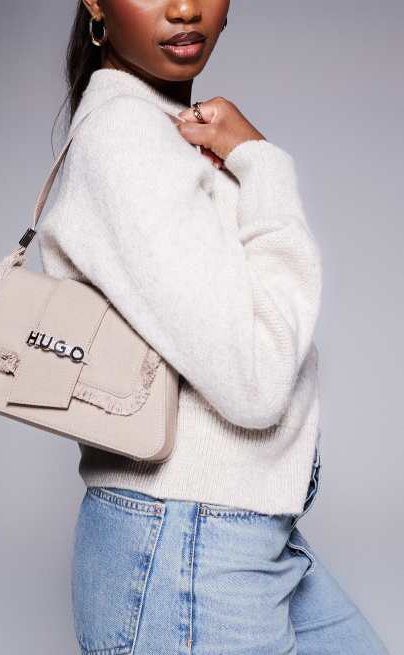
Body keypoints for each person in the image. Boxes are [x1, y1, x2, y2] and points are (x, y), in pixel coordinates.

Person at [38, 1, 390, 653]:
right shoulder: (125, 137)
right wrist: (263, 164)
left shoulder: (161, 133)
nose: (184, 8)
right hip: (187, 548)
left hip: (226, 536)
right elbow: (254, 384)